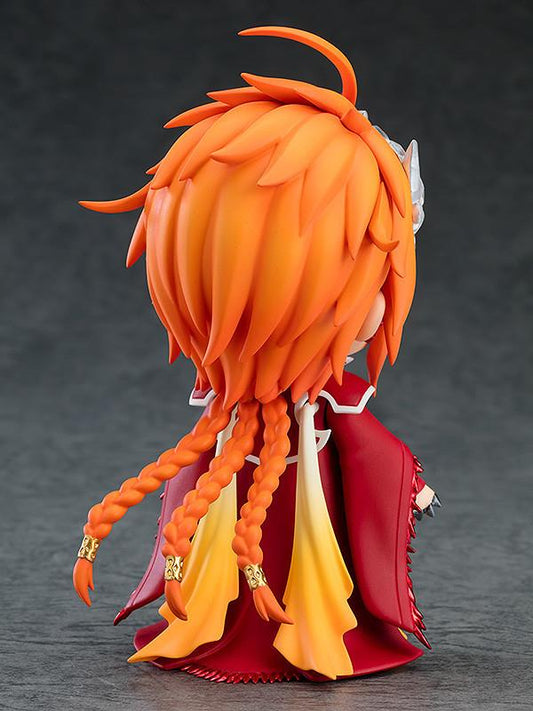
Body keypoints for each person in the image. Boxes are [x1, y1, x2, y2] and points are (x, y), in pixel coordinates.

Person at [73, 26, 441, 682]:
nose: (375, 306)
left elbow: (367, 447)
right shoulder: (227, 405)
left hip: (307, 508)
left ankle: (305, 635)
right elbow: (367, 448)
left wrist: (410, 485)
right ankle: (231, 628)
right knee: (237, 564)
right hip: (237, 496)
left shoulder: (318, 398)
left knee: (298, 563)